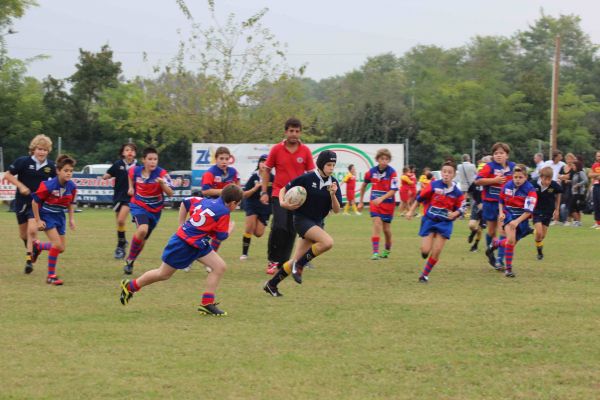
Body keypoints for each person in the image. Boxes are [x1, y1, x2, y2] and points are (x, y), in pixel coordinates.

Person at [119, 185, 243, 316]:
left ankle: (207, 304)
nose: (237, 207)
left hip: (198, 243)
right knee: (163, 274)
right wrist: (231, 228)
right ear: (233, 203)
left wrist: (181, 224)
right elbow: (221, 237)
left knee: (219, 267)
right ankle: (130, 286)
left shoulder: (205, 200)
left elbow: (186, 202)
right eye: (238, 205)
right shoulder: (224, 212)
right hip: (184, 244)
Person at [263, 151, 342, 297]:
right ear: (321, 164)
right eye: (328, 164)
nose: (331, 168)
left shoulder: (334, 183)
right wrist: (283, 203)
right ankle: (300, 265)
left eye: (333, 165)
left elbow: (337, 210)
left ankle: (271, 284)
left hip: (318, 222)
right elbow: (283, 189)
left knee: (295, 258)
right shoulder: (307, 178)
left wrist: (332, 195)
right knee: (328, 242)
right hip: (302, 220)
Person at [260, 118, 315, 275]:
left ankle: (284, 262)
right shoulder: (276, 149)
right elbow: (266, 170)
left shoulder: (305, 151)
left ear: (300, 133)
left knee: (292, 230)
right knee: (279, 226)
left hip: (298, 197)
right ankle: (273, 260)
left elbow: (311, 174)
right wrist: (264, 192)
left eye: (297, 131)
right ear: (286, 132)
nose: (294, 134)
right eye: (291, 131)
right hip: (280, 193)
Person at [4, 134, 56, 274]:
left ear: (48, 151)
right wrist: (21, 186)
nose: (42, 152)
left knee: (32, 230)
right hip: (21, 201)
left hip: (37, 204)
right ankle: (33, 249)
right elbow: (7, 175)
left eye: (45, 150)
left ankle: (29, 261)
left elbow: (57, 181)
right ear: (34, 149)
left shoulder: (50, 166)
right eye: (39, 149)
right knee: (23, 234)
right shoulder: (23, 162)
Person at [406, 160, 465, 283]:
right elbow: (420, 198)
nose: (446, 174)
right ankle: (425, 249)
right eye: (444, 171)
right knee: (425, 251)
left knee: (437, 250)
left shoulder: (457, 192)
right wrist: (411, 211)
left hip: (445, 224)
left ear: (454, 175)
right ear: (441, 173)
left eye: (449, 172)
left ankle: (424, 275)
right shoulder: (434, 185)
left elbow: (462, 207)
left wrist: (455, 213)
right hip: (430, 220)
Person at [123, 147, 174, 275]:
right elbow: (129, 174)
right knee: (142, 230)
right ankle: (129, 259)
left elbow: (171, 193)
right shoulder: (136, 170)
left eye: (155, 159)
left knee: (143, 240)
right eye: (150, 159)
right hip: (138, 206)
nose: (153, 162)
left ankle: (131, 260)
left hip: (155, 210)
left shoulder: (162, 174)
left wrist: (162, 184)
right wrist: (131, 187)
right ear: (143, 160)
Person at [30, 155, 77, 285]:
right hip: (47, 215)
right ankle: (51, 276)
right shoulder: (49, 185)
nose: (68, 173)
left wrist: (71, 219)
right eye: (66, 170)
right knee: (56, 245)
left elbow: (71, 203)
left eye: (71, 171)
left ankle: (38, 246)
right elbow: (34, 202)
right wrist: (38, 220)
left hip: (60, 216)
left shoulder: (72, 187)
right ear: (58, 171)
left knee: (61, 248)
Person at [485, 164, 537, 278]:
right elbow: (501, 201)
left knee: (511, 243)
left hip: (522, 218)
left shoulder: (530, 190)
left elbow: (528, 212)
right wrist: (501, 213)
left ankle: (494, 244)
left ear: (526, 177)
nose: (517, 180)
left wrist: (517, 221)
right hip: (509, 215)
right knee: (511, 240)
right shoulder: (507, 185)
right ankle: (508, 270)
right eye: (515, 177)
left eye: (520, 177)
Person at [474, 143, 515, 270]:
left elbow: (520, 179)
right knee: (491, 232)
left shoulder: (513, 167)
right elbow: (477, 181)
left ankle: (499, 260)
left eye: (501, 153)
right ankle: (491, 254)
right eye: (496, 153)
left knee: (503, 230)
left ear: (507, 155)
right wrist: (494, 181)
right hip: (490, 203)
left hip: (505, 204)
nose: (498, 155)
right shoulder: (489, 167)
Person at [358, 148, 399, 260]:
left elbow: (394, 190)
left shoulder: (392, 172)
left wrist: (382, 198)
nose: (384, 161)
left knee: (386, 230)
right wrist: (361, 201)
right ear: (377, 159)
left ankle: (387, 249)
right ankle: (375, 252)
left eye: (386, 159)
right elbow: (363, 186)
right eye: (382, 159)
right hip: (375, 204)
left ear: (389, 160)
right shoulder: (371, 172)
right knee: (377, 224)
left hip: (388, 205)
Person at [102, 143, 137, 259]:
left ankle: (120, 246)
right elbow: (108, 173)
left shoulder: (138, 167)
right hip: (118, 197)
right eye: (127, 150)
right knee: (119, 222)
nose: (129, 152)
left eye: (132, 150)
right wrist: (105, 176)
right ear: (123, 153)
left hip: (130, 197)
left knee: (121, 220)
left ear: (135, 153)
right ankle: (122, 242)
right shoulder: (118, 164)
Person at [240, 154, 274, 260]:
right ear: (258, 164)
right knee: (249, 228)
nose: (264, 164)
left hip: (265, 208)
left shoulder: (273, 178)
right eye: (262, 161)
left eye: (267, 162)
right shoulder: (254, 177)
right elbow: (244, 194)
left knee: (259, 233)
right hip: (252, 204)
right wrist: (255, 188)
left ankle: (255, 225)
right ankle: (244, 254)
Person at [532, 166, 562, 260]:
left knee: (542, 236)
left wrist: (557, 209)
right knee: (539, 232)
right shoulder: (534, 184)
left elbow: (559, 193)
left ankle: (539, 250)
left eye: (549, 179)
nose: (547, 182)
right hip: (536, 211)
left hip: (548, 212)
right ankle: (539, 252)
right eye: (545, 179)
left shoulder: (554, 185)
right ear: (541, 177)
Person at [568, 160, 588, 227]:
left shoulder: (581, 172)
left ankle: (577, 221)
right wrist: (569, 181)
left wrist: (578, 185)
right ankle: (578, 222)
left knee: (571, 208)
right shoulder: (575, 173)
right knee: (576, 208)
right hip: (575, 193)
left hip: (579, 193)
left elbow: (586, 180)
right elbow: (574, 182)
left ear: (577, 166)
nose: (572, 167)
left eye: (573, 166)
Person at [589, 150, 600, 228]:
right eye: (597, 156)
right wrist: (597, 175)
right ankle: (597, 222)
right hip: (596, 186)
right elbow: (590, 174)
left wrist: (594, 175)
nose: (598, 157)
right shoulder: (595, 165)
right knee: (596, 204)